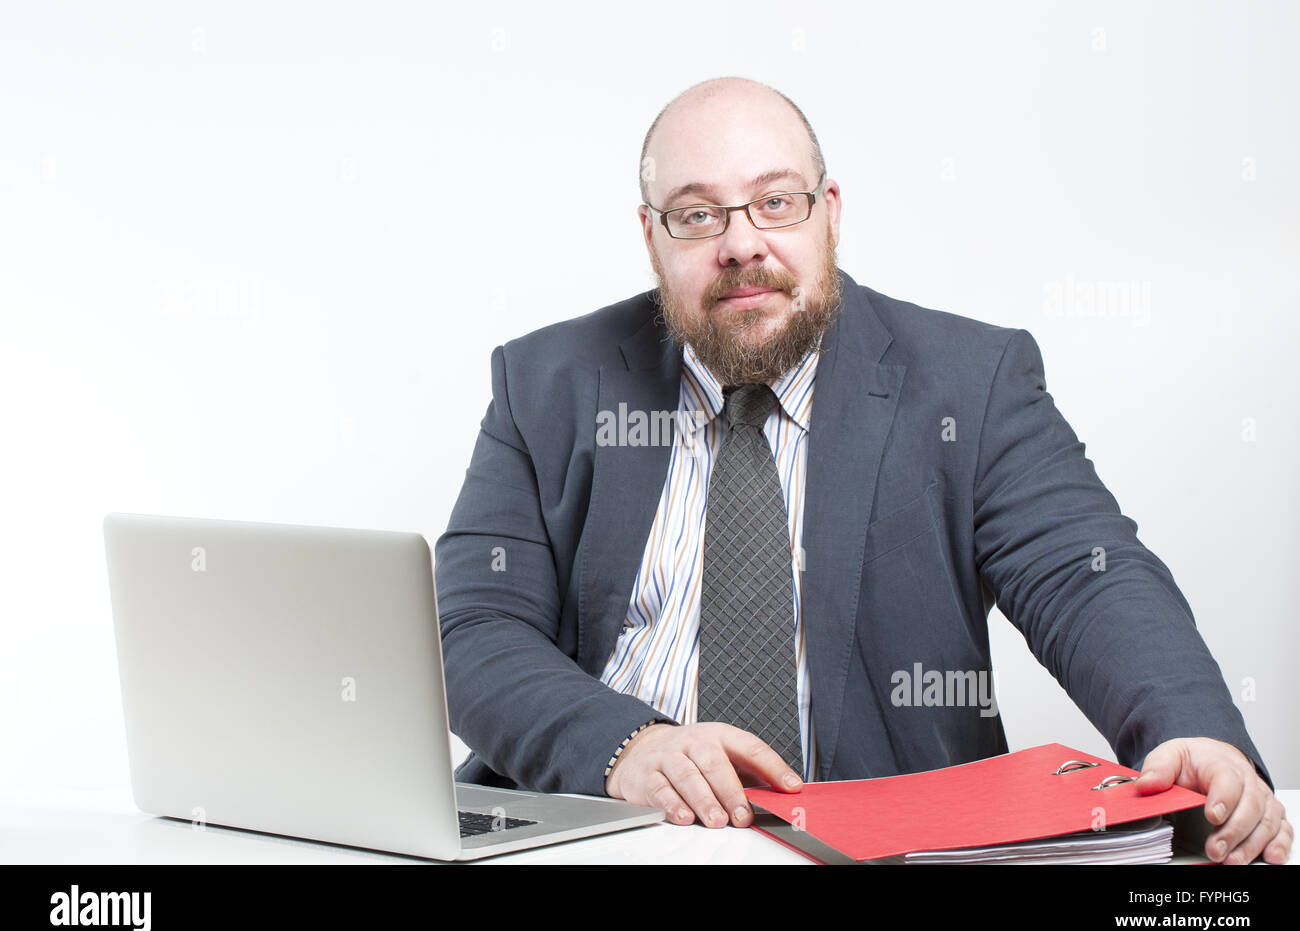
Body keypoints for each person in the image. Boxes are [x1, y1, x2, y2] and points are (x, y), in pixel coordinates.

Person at [434, 76, 1291, 864]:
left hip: (877, 843)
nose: (742, 244)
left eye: (776, 202)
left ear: (829, 213)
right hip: (601, 829)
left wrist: (1194, 736)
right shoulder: (545, 382)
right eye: (697, 215)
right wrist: (627, 746)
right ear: (652, 238)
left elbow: (1087, 576)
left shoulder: (969, 382)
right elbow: (472, 626)